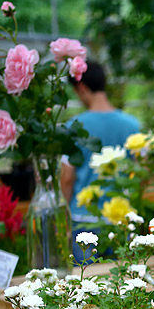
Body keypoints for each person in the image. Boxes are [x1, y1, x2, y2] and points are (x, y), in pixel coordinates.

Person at [60, 60, 140, 261]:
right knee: (122, 285)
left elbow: (67, 178)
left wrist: (63, 219)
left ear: (82, 88)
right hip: (121, 219)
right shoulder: (132, 126)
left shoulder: (74, 126)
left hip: (83, 220)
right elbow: (139, 174)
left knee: (86, 285)